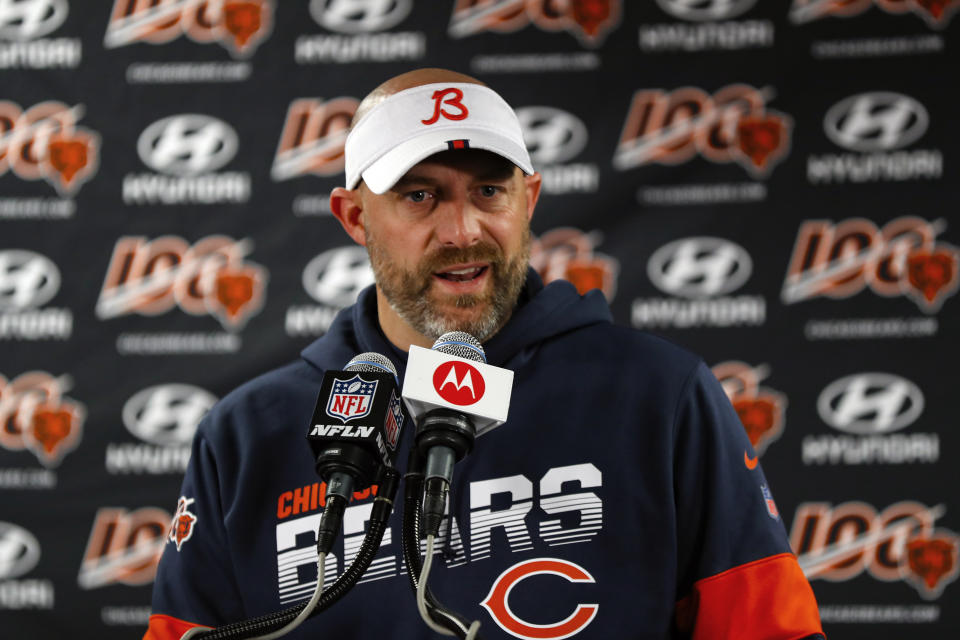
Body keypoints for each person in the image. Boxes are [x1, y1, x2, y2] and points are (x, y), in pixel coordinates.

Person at [145, 68, 825, 640]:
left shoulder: (659, 393)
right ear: (353, 217)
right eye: (420, 195)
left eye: (489, 191)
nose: (463, 231)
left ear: (528, 199)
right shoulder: (245, 435)